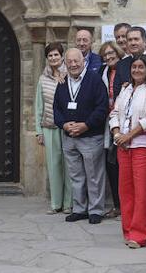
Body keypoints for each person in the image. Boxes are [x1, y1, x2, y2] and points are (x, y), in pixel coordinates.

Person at [111, 55, 146, 247]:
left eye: (141, 67)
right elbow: (115, 112)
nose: (137, 70)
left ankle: (139, 234)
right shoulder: (125, 89)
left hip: (144, 147)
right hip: (123, 146)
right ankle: (128, 230)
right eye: (134, 67)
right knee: (125, 191)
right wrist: (117, 134)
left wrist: (129, 135)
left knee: (143, 193)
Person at [54, 47, 110, 224]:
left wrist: (86, 125)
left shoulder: (95, 80)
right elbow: (56, 108)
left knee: (94, 176)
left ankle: (96, 210)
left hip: (90, 136)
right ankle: (79, 208)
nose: (73, 64)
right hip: (69, 137)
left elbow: (102, 108)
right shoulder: (62, 82)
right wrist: (63, 124)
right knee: (76, 176)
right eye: (69, 61)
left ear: (83, 61)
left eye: (76, 60)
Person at [35, 42, 71, 213]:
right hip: (49, 126)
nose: (53, 58)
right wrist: (38, 131)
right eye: (50, 55)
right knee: (54, 165)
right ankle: (56, 203)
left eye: (56, 54)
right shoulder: (42, 79)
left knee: (69, 165)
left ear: (62, 56)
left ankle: (69, 203)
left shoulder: (71, 75)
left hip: (68, 127)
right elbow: (38, 106)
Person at [98, 40, 122, 216]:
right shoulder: (101, 71)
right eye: (105, 54)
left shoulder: (126, 70)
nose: (109, 57)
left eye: (111, 53)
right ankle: (117, 204)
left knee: (122, 163)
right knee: (110, 163)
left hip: (123, 122)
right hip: (106, 122)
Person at [113, 26, 146, 94]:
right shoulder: (121, 65)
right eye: (130, 40)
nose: (133, 43)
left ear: (145, 41)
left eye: (136, 39)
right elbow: (116, 92)